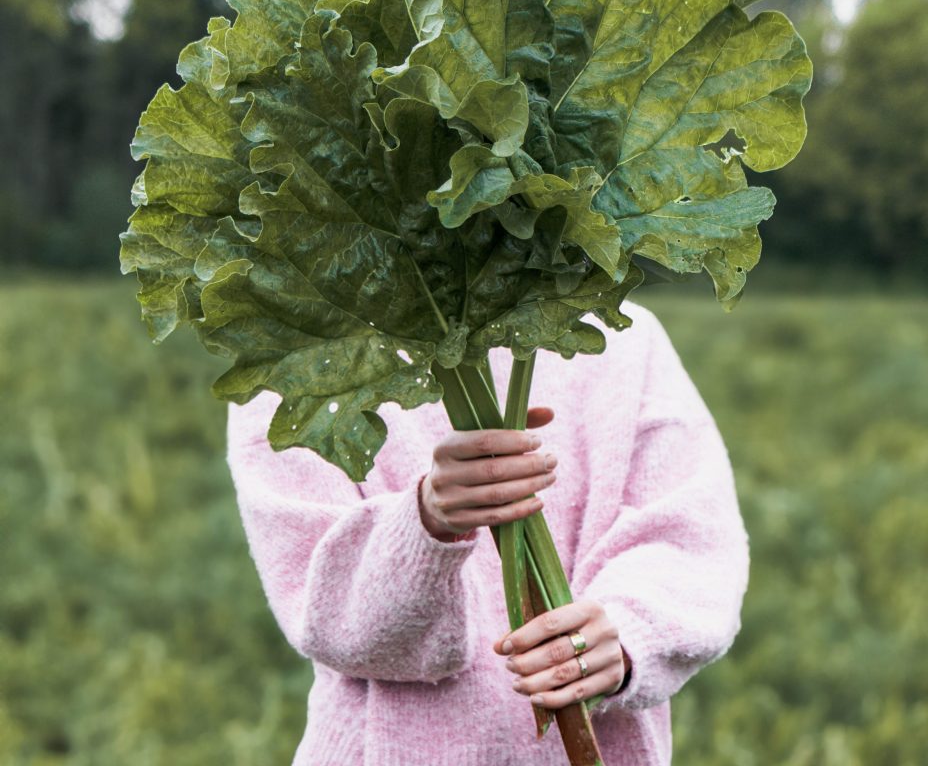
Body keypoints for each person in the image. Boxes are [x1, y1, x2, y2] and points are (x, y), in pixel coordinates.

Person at [226, 300, 750, 765]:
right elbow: (324, 606)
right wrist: (427, 520)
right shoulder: (295, 353)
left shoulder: (623, 335)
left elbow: (690, 537)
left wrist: (626, 635)